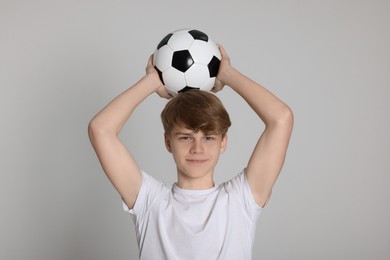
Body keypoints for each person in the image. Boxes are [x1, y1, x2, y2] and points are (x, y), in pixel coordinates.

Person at [88, 45, 293, 259]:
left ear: (223, 143)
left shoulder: (242, 199)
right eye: (186, 137)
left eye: (208, 137)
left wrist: (227, 74)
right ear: (168, 142)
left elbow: (281, 118)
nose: (198, 148)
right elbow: (100, 129)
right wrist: (152, 81)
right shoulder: (150, 202)